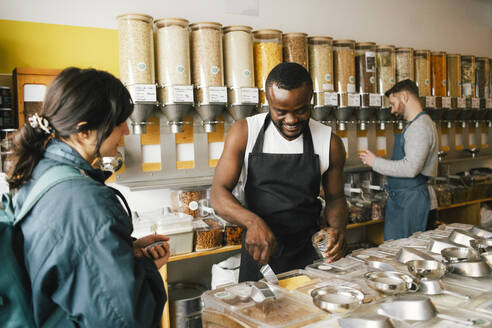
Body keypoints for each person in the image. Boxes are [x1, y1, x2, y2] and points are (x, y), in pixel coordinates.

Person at [7, 67, 169, 327]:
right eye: (118, 123)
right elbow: (125, 319)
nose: (125, 131)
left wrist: (123, 251)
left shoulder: (40, 171)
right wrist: (147, 270)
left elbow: (69, 260)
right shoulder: (86, 202)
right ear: (84, 131)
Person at [211, 63, 348, 282]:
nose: (291, 120)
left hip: (309, 253)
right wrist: (252, 222)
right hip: (259, 252)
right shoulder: (245, 132)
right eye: (281, 112)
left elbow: (336, 198)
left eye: (300, 110)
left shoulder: (329, 142)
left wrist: (336, 230)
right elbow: (218, 192)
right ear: (268, 101)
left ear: (310, 99)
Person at [359, 79, 438, 240]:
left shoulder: (420, 126)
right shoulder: (415, 125)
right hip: (405, 200)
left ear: (405, 96)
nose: (393, 110)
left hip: (413, 202)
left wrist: (375, 162)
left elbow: (411, 169)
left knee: (409, 253)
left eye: (393, 103)